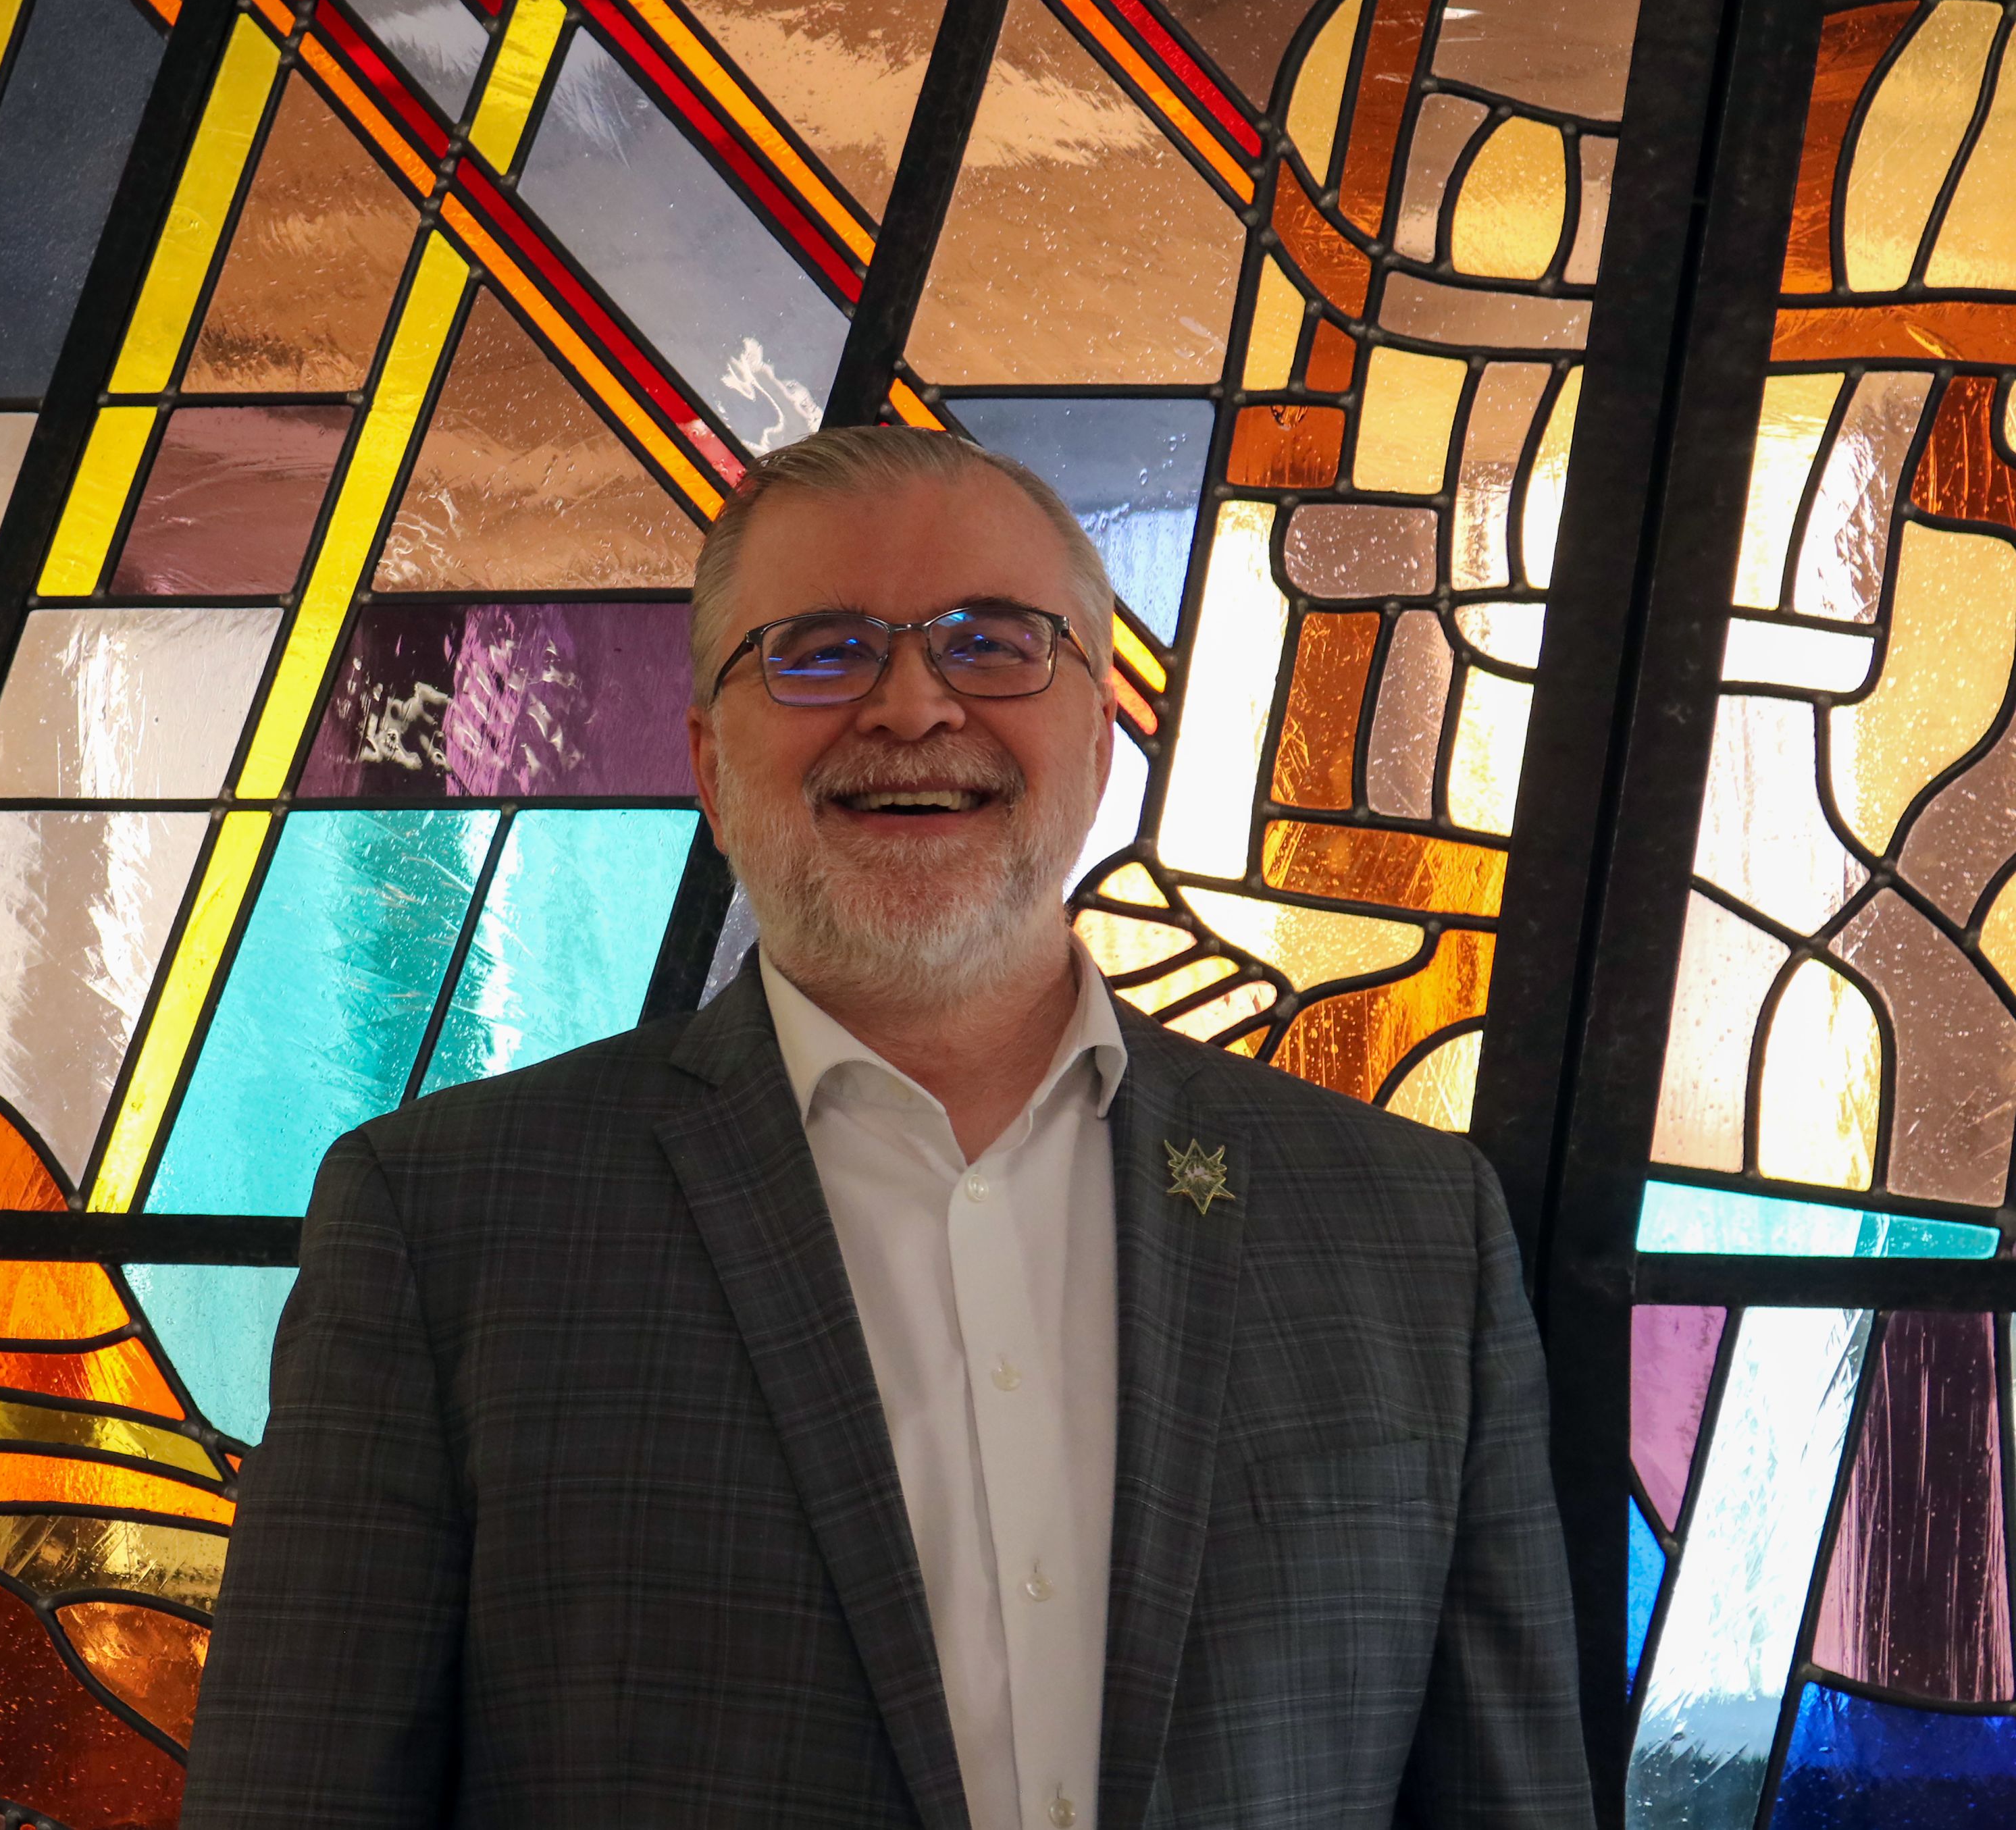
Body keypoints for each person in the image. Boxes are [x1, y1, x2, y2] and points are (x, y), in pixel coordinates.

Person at [181, 427, 1594, 1829]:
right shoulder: (449, 1231)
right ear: (708, 766)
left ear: (1097, 744)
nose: (911, 707)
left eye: (990, 645)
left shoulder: (1407, 1234)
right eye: (819, 649)